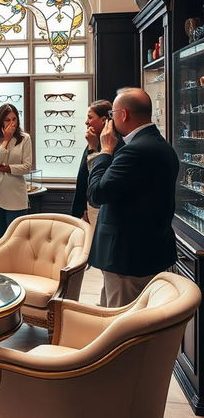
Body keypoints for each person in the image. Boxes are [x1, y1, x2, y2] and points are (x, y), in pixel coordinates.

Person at [87, 87, 179, 307]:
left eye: (112, 114)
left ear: (124, 114)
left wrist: (104, 151)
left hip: (127, 258)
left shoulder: (134, 151)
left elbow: (96, 194)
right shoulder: (160, 145)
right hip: (148, 251)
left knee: (122, 325)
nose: (111, 119)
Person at [0, 104, 32, 242]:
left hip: (15, 195)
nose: (12, 123)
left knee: (15, 239)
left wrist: (5, 168)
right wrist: (6, 141)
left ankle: (15, 264)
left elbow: (27, 167)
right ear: (0, 121)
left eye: (14, 119)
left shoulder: (24, 138)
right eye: (7, 120)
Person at [71, 99, 123, 225]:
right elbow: (83, 179)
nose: (86, 122)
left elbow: (100, 177)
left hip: (103, 210)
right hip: (90, 207)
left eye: (90, 118)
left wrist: (93, 150)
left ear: (104, 120)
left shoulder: (116, 145)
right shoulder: (93, 142)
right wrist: (82, 209)